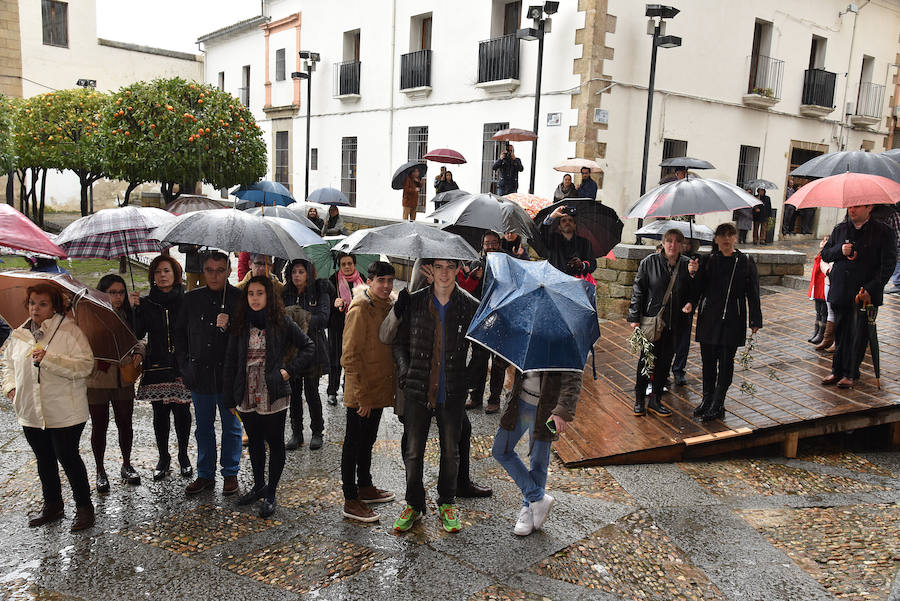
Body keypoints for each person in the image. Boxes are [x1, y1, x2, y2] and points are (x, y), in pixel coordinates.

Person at [392, 258, 478, 534]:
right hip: (418, 389)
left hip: (451, 391)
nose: (444, 273)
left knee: (451, 451)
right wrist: (405, 371)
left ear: (457, 270)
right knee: (414, 451)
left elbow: (480, 347)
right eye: (438, 267)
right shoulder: (414, 302)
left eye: (449, 267)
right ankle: (413, 503)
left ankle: (447, 502)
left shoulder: (469, 306)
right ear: (430, 270)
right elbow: (398, 343)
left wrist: (471, 379)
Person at [2, 284, 95, 531]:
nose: (36, 308)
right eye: (32, 302)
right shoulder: (19, 333)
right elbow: (7, 364)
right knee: (43, 458)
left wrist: (49, 360)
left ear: (54, 306)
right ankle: (53, 505)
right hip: (30, 411)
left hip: (65, 411)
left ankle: (84, 508)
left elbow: (85, 366)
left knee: (68, 457)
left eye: (43, 304)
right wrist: (10, 387)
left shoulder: (69, 332)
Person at [224, 276, 314, 518]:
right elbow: (231, 360)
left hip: (272, 390)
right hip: (246, 390)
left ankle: (271, 491)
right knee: (254, 441)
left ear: (269, 296)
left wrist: (288, 371)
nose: (254, 298)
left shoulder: (281, 321)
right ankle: (258, 485)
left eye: (260, 293)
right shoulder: (240, 323)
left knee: (274, 442)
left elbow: (308, 346)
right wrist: (229, 398)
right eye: (251, 293)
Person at [174, 251, 243, 496]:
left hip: (229, 376)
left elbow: (246, 336)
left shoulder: (238, 298)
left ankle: (230, 472)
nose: (215, 275)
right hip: (200, 374)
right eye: (210, 270)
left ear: (229, 271)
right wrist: (185, 365)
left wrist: (230, 324)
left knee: (231, 426)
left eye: (220, 270)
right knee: (203, 427)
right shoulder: (191, 298)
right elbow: (180, 334)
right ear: (203, 271)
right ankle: (205, 473)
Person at [340, 261, 398, 522]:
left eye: (390, 281)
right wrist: (361, 395)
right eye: (381, 281)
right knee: (353, 444)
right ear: (370, 281)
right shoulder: (361, 307)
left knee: (368, 441)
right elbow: (349, 354)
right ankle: (350, 498)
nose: (386, 286)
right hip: (361, 390)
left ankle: (365, 485)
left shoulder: (388, 306)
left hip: (377, 387)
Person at [492, 369, 583, 536]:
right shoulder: (525, 341)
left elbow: (573, 378)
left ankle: (528, 510)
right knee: (500, 450)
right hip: (519, 402)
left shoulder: (565, 343)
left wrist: (561, 411)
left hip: (546, 409)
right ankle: (537, 497)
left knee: (538, 461)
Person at [820, 205, 897, 388]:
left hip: (865, 294)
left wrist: (871, 288)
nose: (852, 210)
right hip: (841, 290)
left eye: (857, 206)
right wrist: (841, 250)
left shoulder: (883, 231)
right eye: (850, 207)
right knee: (840, 333)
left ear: (869, 208)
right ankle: (836, 371)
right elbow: (825, 253)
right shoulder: (841, 229)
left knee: (858, 335)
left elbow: (888, 263)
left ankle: (851, 373)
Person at [132, 256, 194, 481]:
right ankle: (163, 457)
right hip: (157, 363)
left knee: (182, 412)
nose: (162, 275)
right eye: (158, 272)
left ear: (175, 273)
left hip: (181, 364)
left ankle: (184, 456)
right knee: (160, 413)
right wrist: (135, 310)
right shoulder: (147, 302)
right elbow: (138, 333)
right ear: (153, 276)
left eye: (166, 271)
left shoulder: (187, 299)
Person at [693, 223, 762, 421]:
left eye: (730, 234)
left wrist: (755, 319)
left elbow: (753, 293)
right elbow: (697, 289)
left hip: (733, 318)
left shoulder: (745, 262)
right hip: (709, 318)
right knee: (708, 361)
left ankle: (718, 402)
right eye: (721, 235)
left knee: (725, 362)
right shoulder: (707, 261)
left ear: (736, 238)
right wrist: (694, 272)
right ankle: (707, 399)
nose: (726, 238)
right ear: (715, 239)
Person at [628, 229, 697, 417]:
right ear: (663, 243)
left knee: (665, 363)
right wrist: (634, 318)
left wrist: (691, 299)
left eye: (676, 241)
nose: (672, 245)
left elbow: (693, 293)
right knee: (647, 361)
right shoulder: (649, 262)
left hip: (675, 323)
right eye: (669, 241)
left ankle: (656, 400)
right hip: (652, 321)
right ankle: (639, 400)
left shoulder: (687, 265)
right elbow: (638, 291)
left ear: (682, 244)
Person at [87, 275, 145, 493]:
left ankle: (127, 463)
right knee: (99, 425)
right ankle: (100, 470)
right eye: (112, 292)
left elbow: (138, 339)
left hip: (123, 376)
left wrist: (140, 352)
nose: (117, 297)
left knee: (125, 422)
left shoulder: (129, 314)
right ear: (102, 293)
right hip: (97, 377)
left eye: (121, 292)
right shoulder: (90, 314)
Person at [282, 258, 330, 451]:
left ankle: (317, 431)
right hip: (292, 350)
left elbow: (323, 318)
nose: (297, 276)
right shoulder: (286, 293)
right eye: (294, 272)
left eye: (301, 272)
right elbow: (281, 317)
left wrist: (300, 317)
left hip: (313, 348)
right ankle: (296, 432)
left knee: (311, 392)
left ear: (308, 273)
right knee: (293, 393)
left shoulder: (319, 291)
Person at [458, 231, 508, 413]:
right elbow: (469, 293)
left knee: (498, 363)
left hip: (502, 317)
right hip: (482, 318)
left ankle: (494, 399)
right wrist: (475, 278)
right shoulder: (476, 264)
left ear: (499, 244)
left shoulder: (508, 262)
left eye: (494, 242)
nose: (491, 246)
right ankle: (475, 396)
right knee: (479, 359)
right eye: (487, 243)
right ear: (482, 246)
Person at [327, 253, 364, 405]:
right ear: (339, 266)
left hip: (355, 327)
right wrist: (333, 304)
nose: (347, 267)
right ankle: (331, 391)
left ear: (354, 264)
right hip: (337, 327)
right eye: (344, 264)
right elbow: (325, 306)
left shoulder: (362, 279)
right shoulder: (332, 281)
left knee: (352, 359)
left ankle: (346, 386)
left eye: (350, 263)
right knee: (335, 360)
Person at [669, 237, 699, 386]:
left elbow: (697, 289)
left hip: (684, 310)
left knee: (683, 342)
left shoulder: (690, 262)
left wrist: (693, 274)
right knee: (668, 343)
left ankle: (679, 370)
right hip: (667, 309)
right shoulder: (662, 261)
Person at [540, 205, 596, 277]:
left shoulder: (585, 243)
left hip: (575, 282)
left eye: (570, 220)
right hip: (554, 279)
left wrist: (582, 265)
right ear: (559, 227)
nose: (567, 222)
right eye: (563, 221)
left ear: (575, 225)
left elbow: (592, 264)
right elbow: (542, 233)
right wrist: (552, 216)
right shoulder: (552, 239)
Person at [807, 237, 830, 345]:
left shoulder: (828, 255)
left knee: (824, 312)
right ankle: (816, 332)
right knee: (818, 312)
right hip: (817, 288)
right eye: (823, 240)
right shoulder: (820, 254)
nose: (822, 242)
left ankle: (822, 334)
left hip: (823, 287)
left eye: (826, 240)